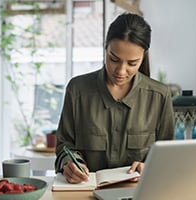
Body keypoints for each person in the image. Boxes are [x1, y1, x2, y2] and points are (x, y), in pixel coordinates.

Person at [55, 13, 175, 184]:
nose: (120, 71)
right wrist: (71, 163)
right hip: (85, 191)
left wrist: (149, 166)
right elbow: (64, 145)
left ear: (143, 56)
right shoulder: (77, 90)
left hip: (139, 192)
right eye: (114, 59)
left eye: (132, 63)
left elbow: (167, 155)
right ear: (105, 48)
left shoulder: (160, 96)